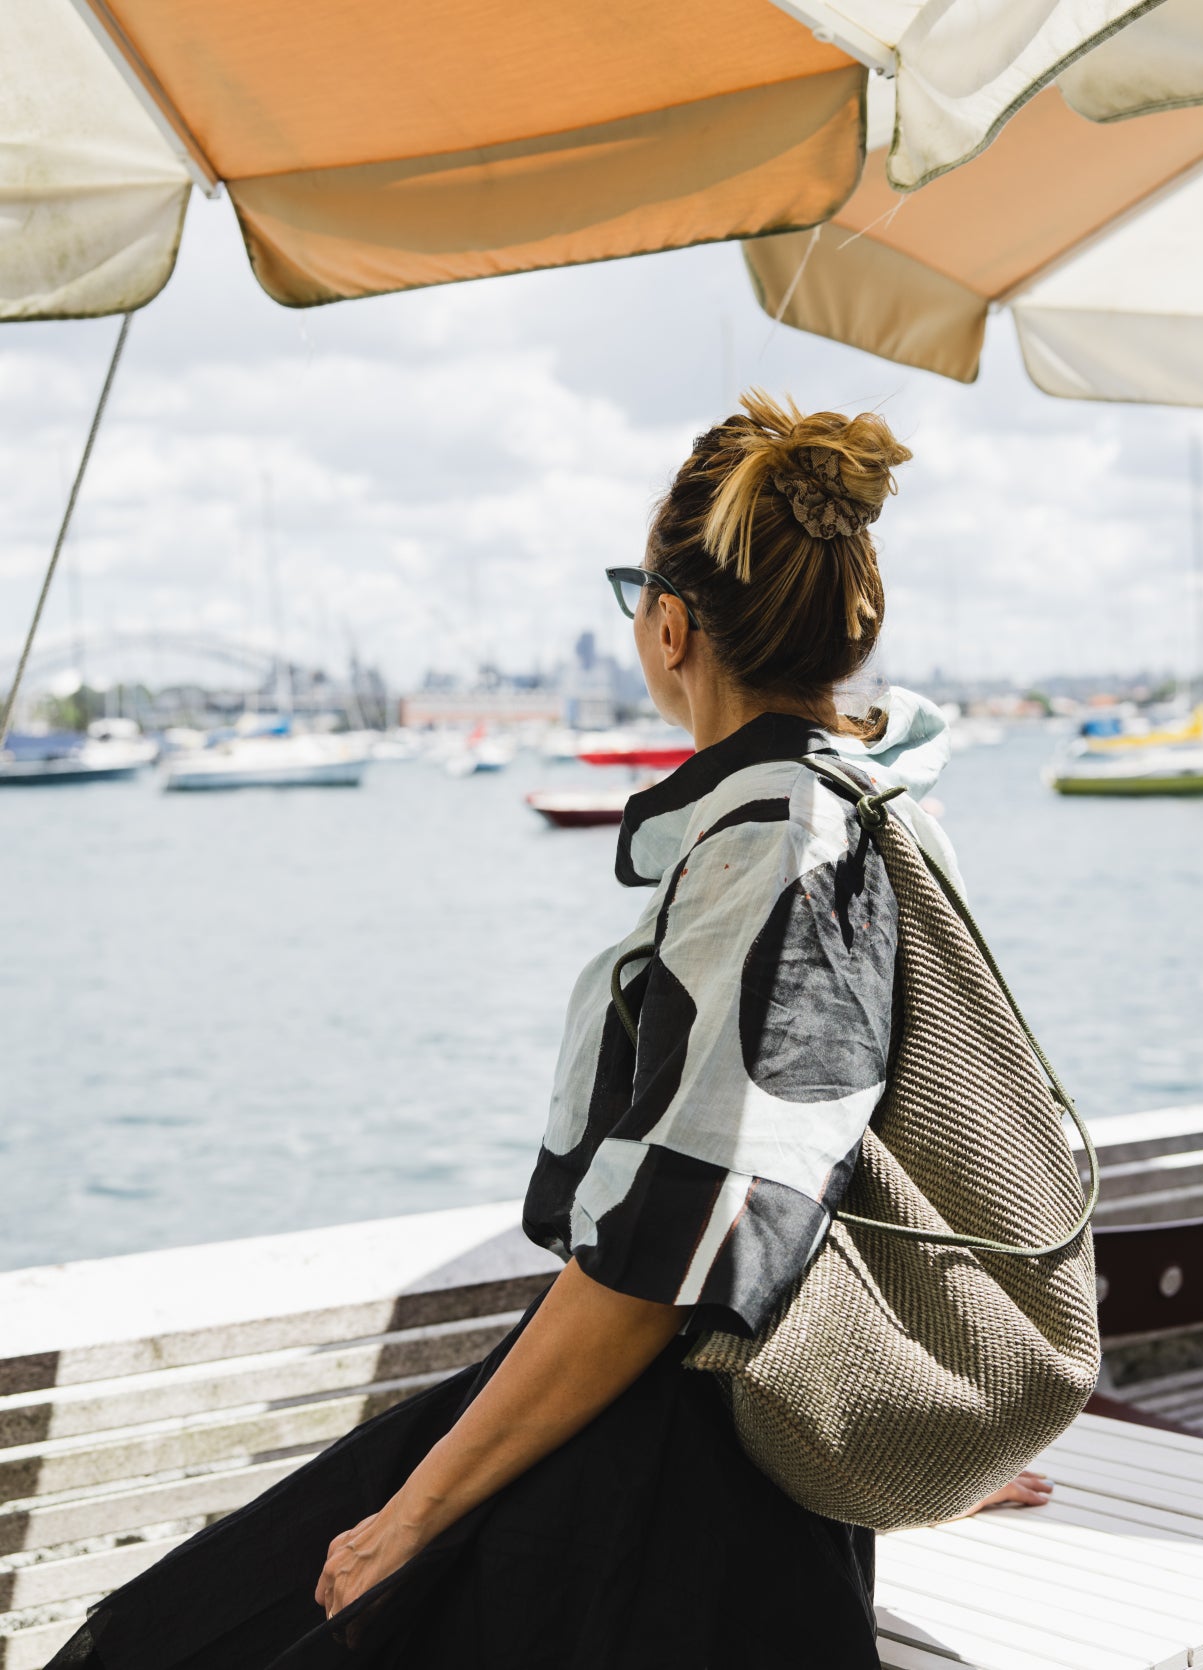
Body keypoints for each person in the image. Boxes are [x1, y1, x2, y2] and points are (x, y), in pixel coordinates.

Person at [47, 393, 1049, 1670]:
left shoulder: (781, 850)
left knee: (165, 1641)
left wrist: (409, 1515)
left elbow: (665, 1260)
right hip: (746, 1459)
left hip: (679, 1476)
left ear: (669, 626)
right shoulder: (874, 814)